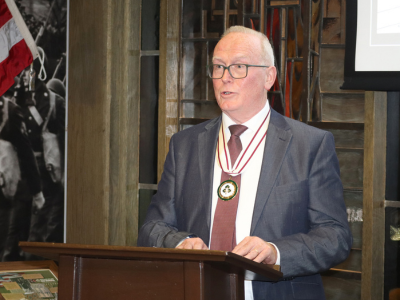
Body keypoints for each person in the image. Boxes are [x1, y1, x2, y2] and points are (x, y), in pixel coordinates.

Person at [138, 26, 352, 300]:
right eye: (218, 67)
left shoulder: (309, 145)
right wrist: (179, 243)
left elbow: (335, 238)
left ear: (269, 77)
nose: (225, 78)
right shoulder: (185, 145)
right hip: (196, 291)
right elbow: (152, 228)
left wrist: (275, 252)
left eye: (238, 66)